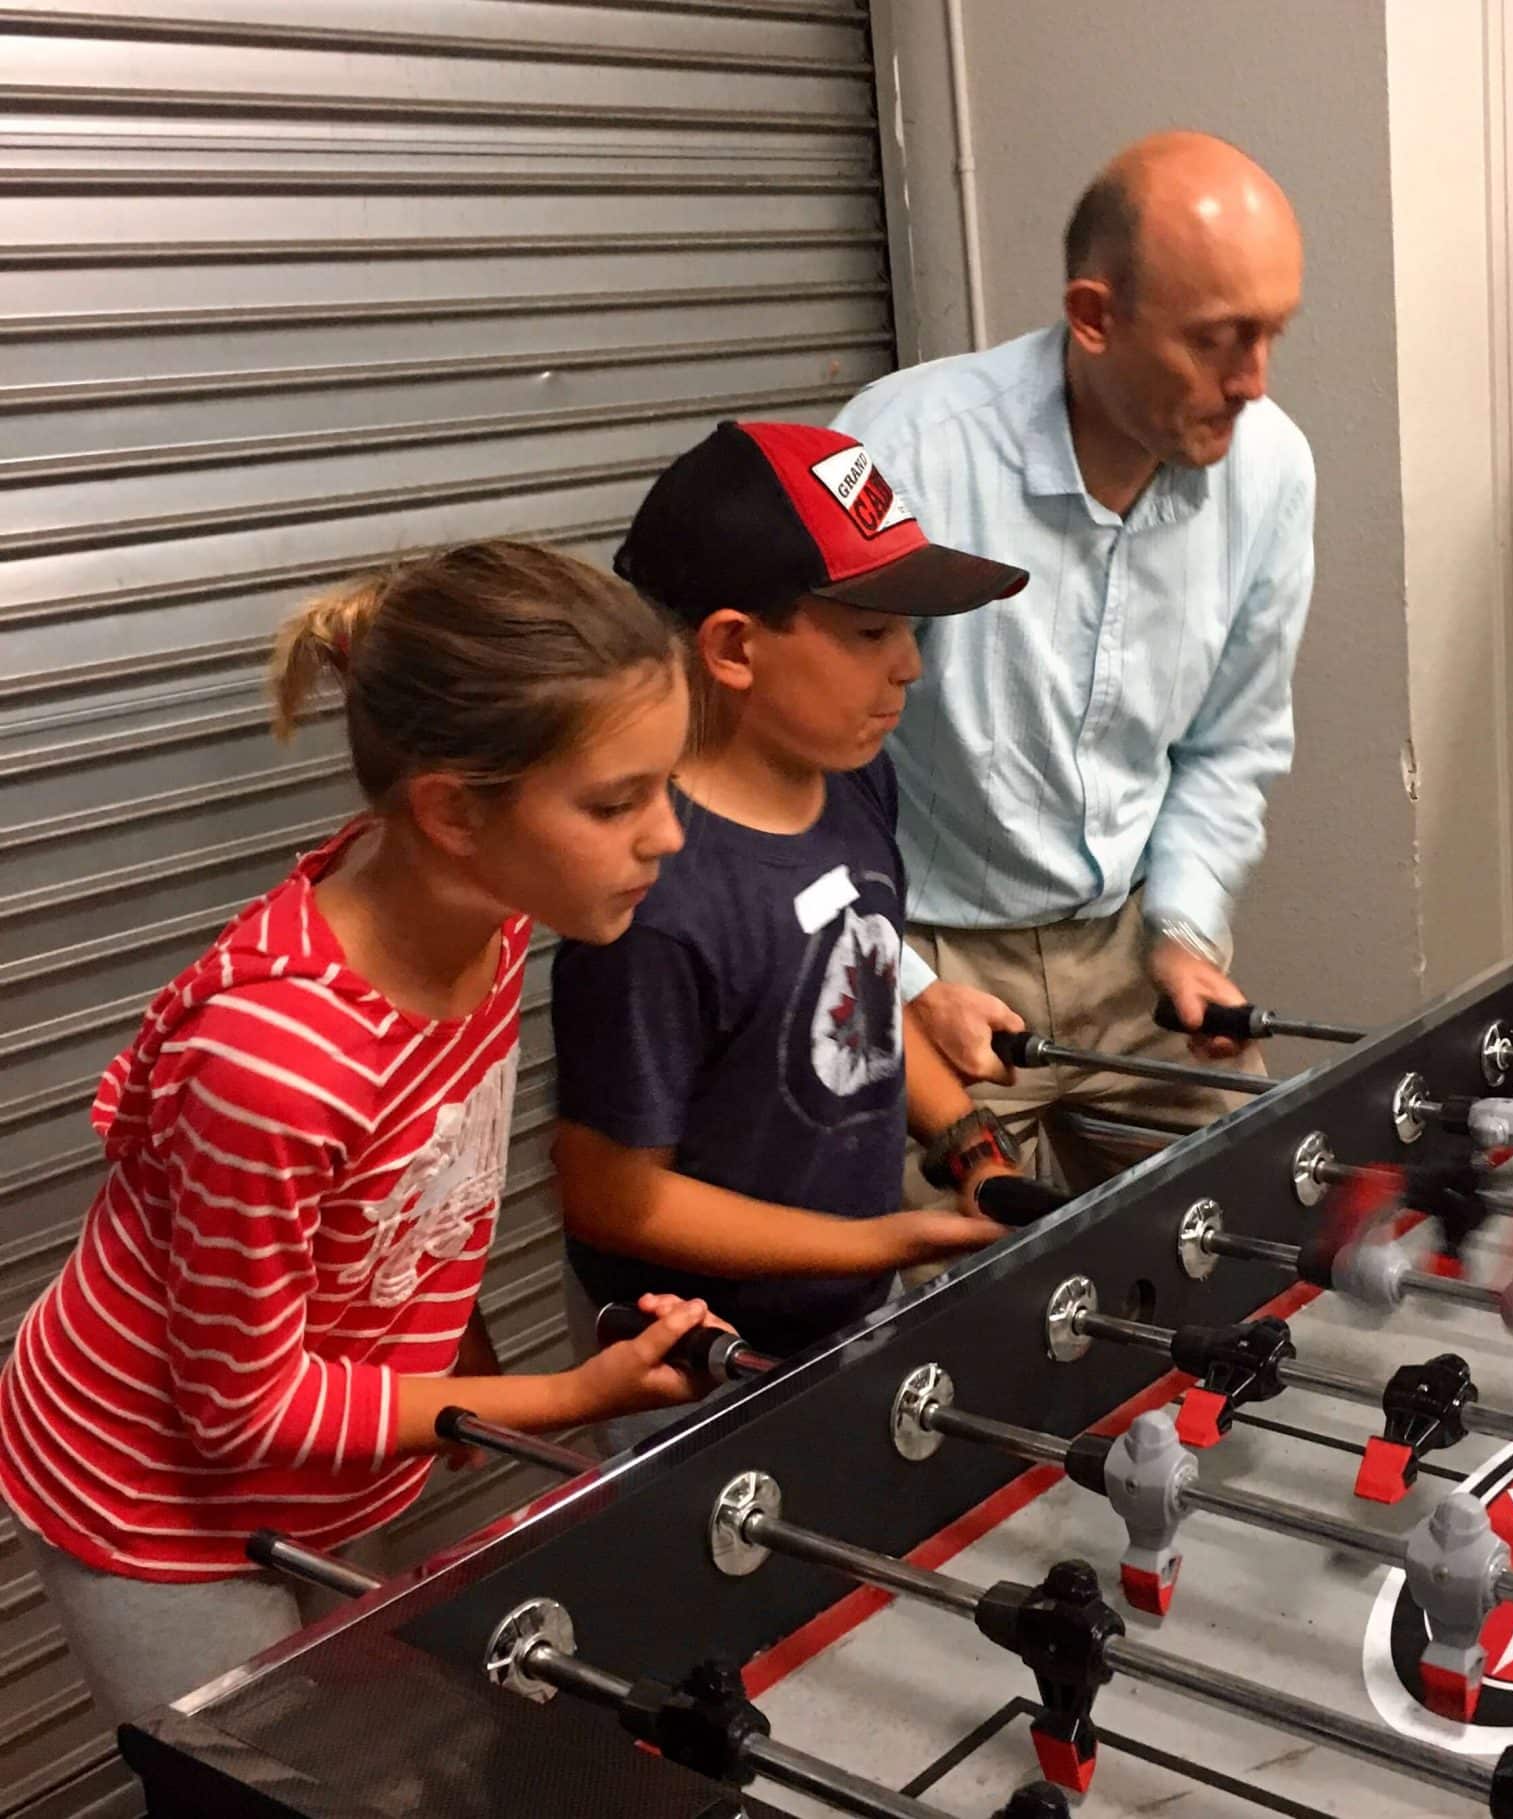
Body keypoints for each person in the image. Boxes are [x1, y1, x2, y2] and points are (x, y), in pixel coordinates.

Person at [0, 541, 725, 1726]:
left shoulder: (490, 919)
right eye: (615, 803)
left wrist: (464, 1352)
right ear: (451, 809)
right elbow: (240, 1411)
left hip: (327, 1447)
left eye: (664, 787)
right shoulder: (275, 1066)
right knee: (250, 1771)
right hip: (156, 1494)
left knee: (346, 1732)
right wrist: (562, 1396)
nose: (668, 836)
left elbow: (430, 1177)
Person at [832, 129, 1315, 1190]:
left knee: (1244, 1229)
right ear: (1094, 317)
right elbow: (792, 766)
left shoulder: (1271, 468)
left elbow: (1233, 742)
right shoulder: (902, 452)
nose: (1252, 382)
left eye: (1271, 334)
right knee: (949, 1277)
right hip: (930, 950)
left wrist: (1185, 930)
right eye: (1217, 341)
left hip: (1136, 944)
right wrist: (903, 984)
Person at [549, 421, 1032, 1442]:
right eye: (870, 633)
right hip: (692, 1365)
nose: (909, 666)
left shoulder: (854, 782)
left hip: (849, 1306)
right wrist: (881, 1241)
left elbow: (865, 997)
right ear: (733, 646)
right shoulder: (650, 895)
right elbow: (613, 1198)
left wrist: (969, 1148)